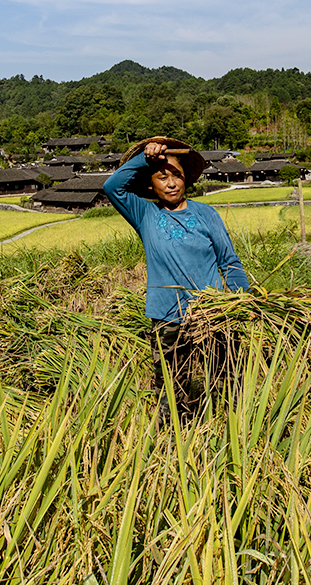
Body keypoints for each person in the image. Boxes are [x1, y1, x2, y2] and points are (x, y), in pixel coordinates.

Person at [103, 136, 250, 422]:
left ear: (187, 180)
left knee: (228, 380)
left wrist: (240, 302)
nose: (171, 183)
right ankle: (172, 444)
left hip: (213, 311)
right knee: (171, 388)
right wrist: (144, 159)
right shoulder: (144, 214)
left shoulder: (206, 214)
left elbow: (229, 262)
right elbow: (112, 186)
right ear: (150, 185)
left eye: (177, 176)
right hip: (167, 315)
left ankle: (232, 430)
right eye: (162, 177)